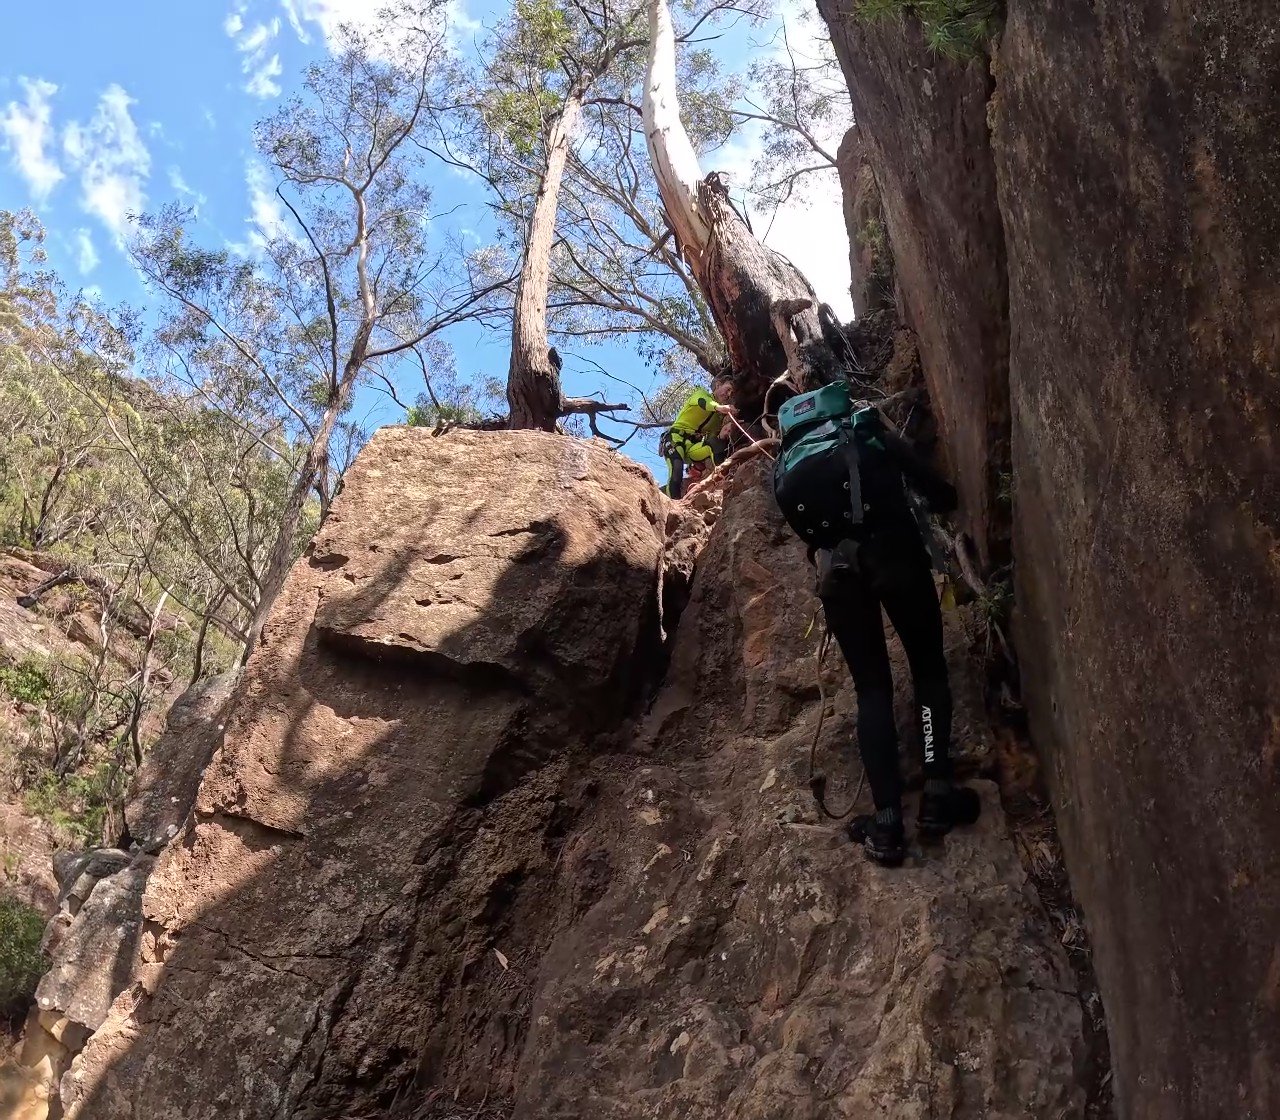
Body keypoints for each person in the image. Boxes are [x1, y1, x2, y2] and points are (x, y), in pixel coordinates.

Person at [774, 394, 980, 867]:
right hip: (896, 556)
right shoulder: (864, 433)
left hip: (839, 576)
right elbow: (938, 491)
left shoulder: (794, 466)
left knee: (871, 691)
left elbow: (809, 533)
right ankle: (937, 792)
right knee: (928, 667)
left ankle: (886, 823)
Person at [660, 379, 735, 499]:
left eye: (731, 393)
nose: (728, 394)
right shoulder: (701, 394)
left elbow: (712, 438)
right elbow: (703, 402)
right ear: (718, 385)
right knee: (676, 470)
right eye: (727, 389)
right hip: (675, 438)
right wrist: (719, 407)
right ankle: (673, 505)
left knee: (716, 444)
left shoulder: (717, 419)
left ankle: (723, 481)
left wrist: (722, 434)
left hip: (691, 448)